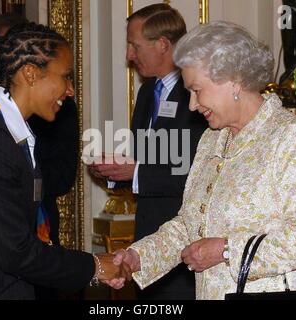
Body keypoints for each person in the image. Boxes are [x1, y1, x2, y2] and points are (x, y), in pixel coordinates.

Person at [109, 21, 296, 300]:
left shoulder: (294, 136)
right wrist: (138, 256)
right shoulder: (211, 140)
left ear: (234, 80)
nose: (191, 104)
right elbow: (190, 224)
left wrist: (226, 250)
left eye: (196, 90)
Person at [0, 22, 129, 300]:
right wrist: (94, 266)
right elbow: (15, 251)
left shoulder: (6, 129)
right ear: (31, 74)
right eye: (65, 76)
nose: (70, 90)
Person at [88, 4, 207, 300]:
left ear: (163, 44)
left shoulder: (198, 92)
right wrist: (114, 172)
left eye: (134, 45)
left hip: (187, 243)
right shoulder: (146, 92)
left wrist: (137, 172)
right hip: (148, 242)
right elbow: (150, 161)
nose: (129, 55)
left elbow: (199, 173)